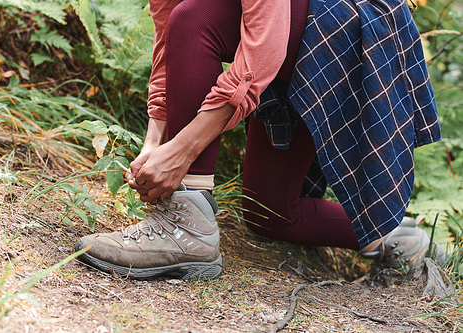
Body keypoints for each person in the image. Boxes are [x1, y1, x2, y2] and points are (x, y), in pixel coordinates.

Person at [75, 0, 445, 281]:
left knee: (196, 16)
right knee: (269, 215)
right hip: (286, 31)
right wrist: (155, 141)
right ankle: (390, 230)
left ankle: (187, 224)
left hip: (337, 25)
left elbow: (262, 49)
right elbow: (167, 34)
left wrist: (183, 152)